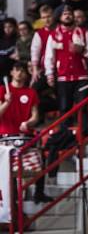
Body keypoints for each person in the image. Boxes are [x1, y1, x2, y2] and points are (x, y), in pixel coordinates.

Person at [0, 62, 50, 203]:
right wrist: (6, 103)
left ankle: (39, 193)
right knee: (10, 173)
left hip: (25, 136)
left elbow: (35, 116)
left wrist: (28, 123)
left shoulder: (31, 92)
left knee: (40, 161)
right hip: (6, 138)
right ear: (11, 73)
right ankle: (13, 202)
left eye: (22, 71)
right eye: (17, 70)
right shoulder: (3, 90)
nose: (20, 73)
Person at [44, 5, 88, 119]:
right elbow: (49, 56)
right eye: (64, 14)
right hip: (63, 76)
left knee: (82, 106)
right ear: (59, 17)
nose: (68, 16)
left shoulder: (82, 32)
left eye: (69, 13)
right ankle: (65, 133)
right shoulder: (53, 35)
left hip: (81, 76)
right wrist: (49, 74)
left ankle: (84, 133)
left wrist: (82, 50)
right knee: (64, 107)